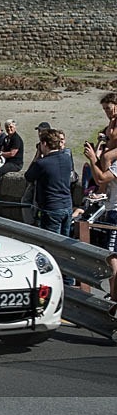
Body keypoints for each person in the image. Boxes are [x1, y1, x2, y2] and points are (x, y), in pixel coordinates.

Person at [83, 120, 117, 316]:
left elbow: (101, 179)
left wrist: (91, 159)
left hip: (115, 212)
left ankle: (114, 299)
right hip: (111, 209)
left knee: (113, 259)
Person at [24, 129, 73, 235]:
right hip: (67, 206)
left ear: (44, 143)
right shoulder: (66, 158)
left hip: (51, 208)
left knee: (51, 243)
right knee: (65, 243)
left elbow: (28, 176)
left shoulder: (42, 164)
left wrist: (37, 156)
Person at [21, 122, 52, 223]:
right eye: (38, 131)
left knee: (36, 204)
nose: (39, 134)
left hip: (43, 181)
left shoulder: (50, 145)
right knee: (25, 201)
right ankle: (30, 223)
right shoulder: (40, 146)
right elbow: (35, 162)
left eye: (41, 131)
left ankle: (34, 224)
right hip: (36, 178)